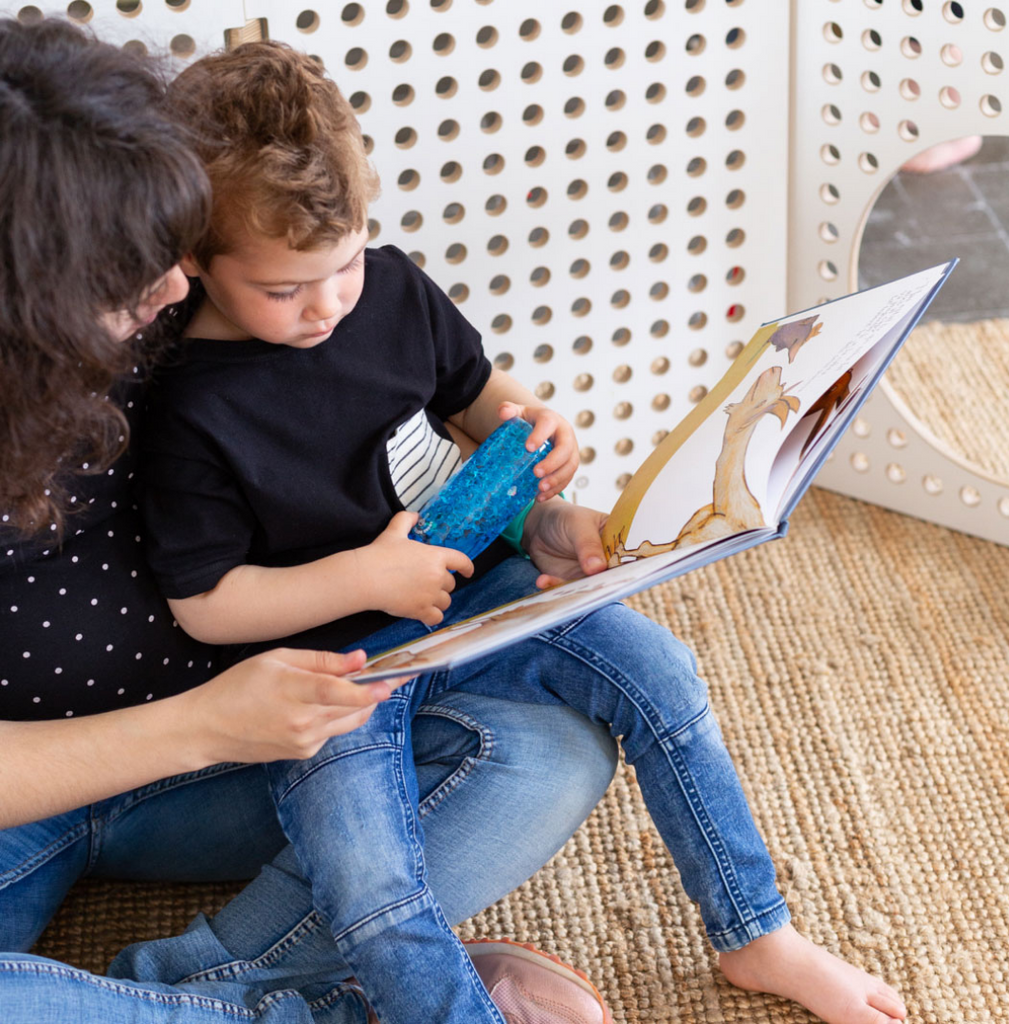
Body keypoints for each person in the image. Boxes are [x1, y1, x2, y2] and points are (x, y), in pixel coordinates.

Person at [134, 40, 909, 1024]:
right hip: (327, 676)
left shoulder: (391, 287)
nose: (328, 304)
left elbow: (475, 397)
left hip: (481, 596)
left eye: (344, 265)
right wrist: (368, 579)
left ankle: (758, 933)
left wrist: (537, 424)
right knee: (370, 883)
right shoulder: (188, 408)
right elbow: (206, 606)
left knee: (662, 674)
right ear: (195, 259)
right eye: (285, 290)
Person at [0, 18, 623, 1023]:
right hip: (44, 789)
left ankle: (189, 997)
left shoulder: (185, 298)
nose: (175, 285)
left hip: (249, 736)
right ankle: (327, 999)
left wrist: (521, 498)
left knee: (548, 752)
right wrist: (199, 722)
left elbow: (402, 390)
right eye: (131, 275)